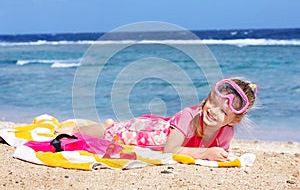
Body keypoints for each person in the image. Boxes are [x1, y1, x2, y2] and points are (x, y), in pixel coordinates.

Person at [56, 78, 257, 161]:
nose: (213, 111)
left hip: (162, 132)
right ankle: (76, 129)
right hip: (152, 133)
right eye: (213, 102)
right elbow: (171, 150)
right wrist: (205, 153)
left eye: (223, 112)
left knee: (114, 129)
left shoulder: (226, 133)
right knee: (113, 132)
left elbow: (218, 152)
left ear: (232, 121)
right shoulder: (189, 116)